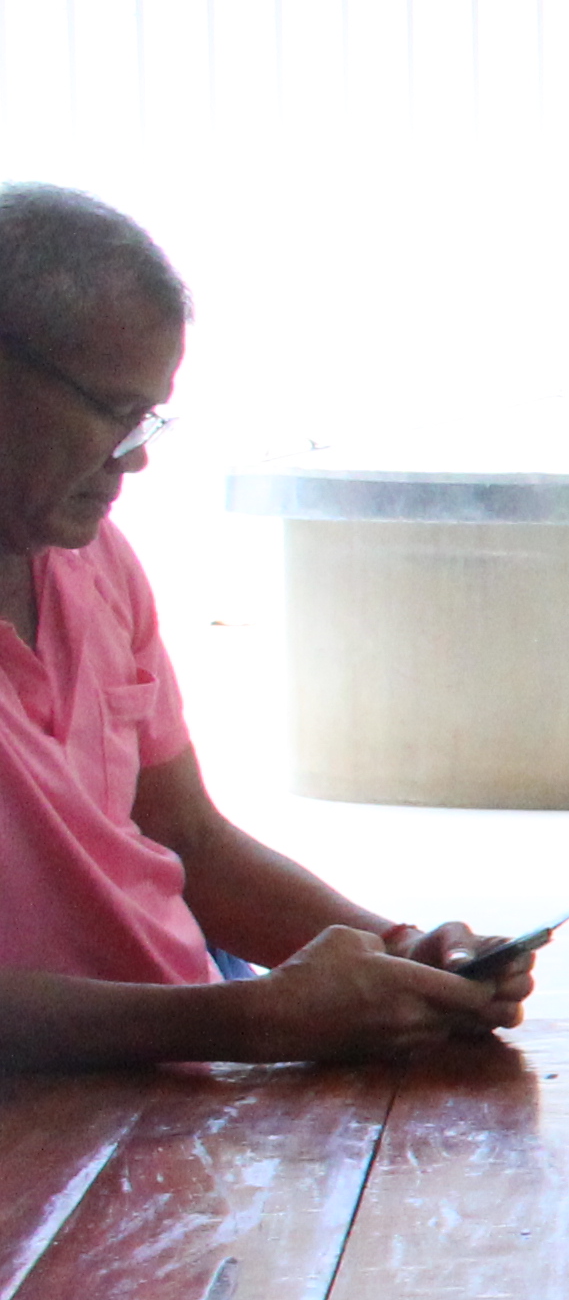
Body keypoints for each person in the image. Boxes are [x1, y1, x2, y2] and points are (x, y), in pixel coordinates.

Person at [0, 188, 540, 1071]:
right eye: (110, 410)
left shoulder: (95, 561)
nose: (135, 457)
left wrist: (403, 955)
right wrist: (246, 1021)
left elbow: (188, 841)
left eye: (150, 418)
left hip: (186, 1083)